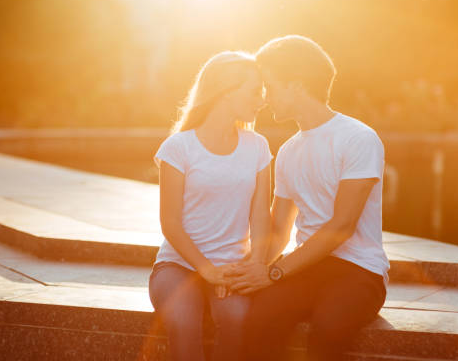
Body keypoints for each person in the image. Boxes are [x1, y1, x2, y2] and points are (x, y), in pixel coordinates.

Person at [226, 36, 390, 361]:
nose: (264, 98)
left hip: (360, 271)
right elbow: (278, 230)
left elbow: (341, 226)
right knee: (258, 320)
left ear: (296, 85)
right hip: (307, 268)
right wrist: (249, 268)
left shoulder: (359, 139)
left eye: (270, 87)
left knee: (328, 328)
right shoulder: (288, 151)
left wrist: (273, 273)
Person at [148, 51, 273, 361]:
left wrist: (254, 265)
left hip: (234, 269)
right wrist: (207, 270)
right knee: (184, 321)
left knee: (236, 319)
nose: (263, 100)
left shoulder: (258, 146)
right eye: (255, 90)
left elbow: (260, 216)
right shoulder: (178, 148)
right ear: (226, 90)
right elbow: (171, 224)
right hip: (178, 266)